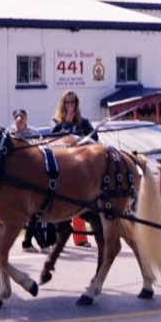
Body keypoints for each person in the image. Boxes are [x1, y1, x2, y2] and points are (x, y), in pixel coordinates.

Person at [51, 91, 93, 247]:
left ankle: (81, 238)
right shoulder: (56, 122)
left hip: (80, 167)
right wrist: (67, 123)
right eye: (67, 102)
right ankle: (57, 238)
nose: (70, 105)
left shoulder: (84, 122)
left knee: (80, 203)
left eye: (73, 102)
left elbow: (94, 139)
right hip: (62, 167)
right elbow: (55, 140)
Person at [8, 108, 52, 254]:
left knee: (35, 210)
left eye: (22, 117)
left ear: (26, 118)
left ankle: (30, 242)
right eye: (17, 117)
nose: (20, 119)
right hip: (17, 176)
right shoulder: (9, 134)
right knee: (32, 210)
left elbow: (42, 148)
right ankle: (37, 243)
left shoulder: (33, 132)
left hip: (33, 173)